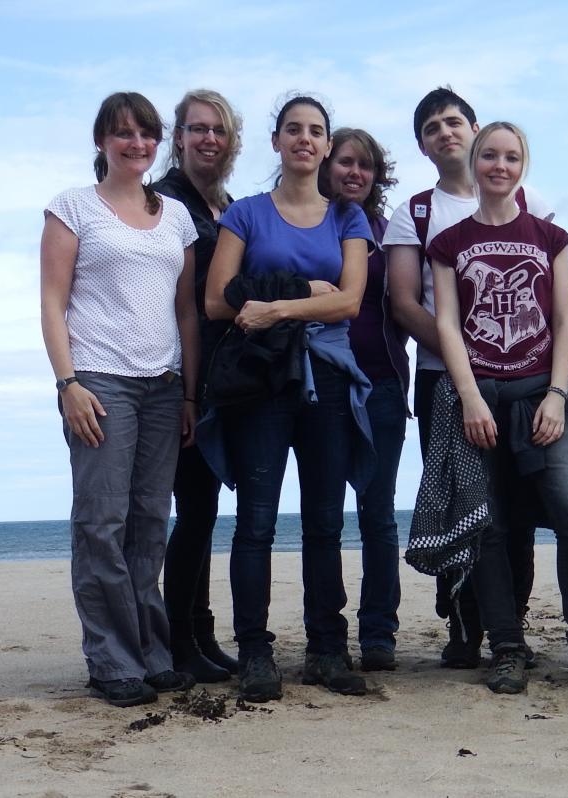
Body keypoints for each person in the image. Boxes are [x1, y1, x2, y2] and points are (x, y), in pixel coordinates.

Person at [428, 121, 568, 695]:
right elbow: (447, 322)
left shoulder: (551, 238)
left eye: (511, 156)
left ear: (524, 165)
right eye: (489, 156)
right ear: (475, 163)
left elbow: (566, 320)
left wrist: (557, 393)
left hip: (540, 399)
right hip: (480, 401)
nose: (500, 165)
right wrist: (470, 398)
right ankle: (507, 649)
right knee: (490, 528)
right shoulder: (449, 243)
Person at [202, 95, 374, 700]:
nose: (306, 139)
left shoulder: (348, 218)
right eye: (294, 129)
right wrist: (306, 290)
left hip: (327, 375)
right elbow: (218, 301)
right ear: (276, 141)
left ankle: (328, 649)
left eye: (317, 132)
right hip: (262, 379)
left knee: (326, 523)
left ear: (327, 146)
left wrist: (276, 305)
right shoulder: (245, 214)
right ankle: (255, 653)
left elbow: (350, 300)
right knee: (256, 523)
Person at [40, 92, 199, 707]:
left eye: (147, 134)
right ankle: (111, 662)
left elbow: (186, 311)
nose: (137, 144)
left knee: (149, 526)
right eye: (123, 133)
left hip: (163, 387)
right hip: (98, 383)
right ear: (102, 141)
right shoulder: (73, 207)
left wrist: (188, 393)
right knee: (101, 524)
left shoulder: (177, 216)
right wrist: (67, 383)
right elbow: (53, 303)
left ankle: (152, 654)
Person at [384, 87, 551, 669]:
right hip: (444, 384)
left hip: (521, 384)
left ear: (477, 130)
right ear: (422, 145)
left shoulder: (525, 204)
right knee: (460, 506)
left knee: (517, 508)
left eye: (453, 121)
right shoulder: (418, 212)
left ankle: (512, 628)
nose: (444, 132)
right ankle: (462, 628)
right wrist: (469, 365)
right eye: (431, 127)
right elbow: (405, 304)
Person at [153, 89, 243, 683]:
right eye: (197, 128)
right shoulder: (161, 202)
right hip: (179, 377)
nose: (208, 138)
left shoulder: (226, 204)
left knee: (205, 509)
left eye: (218, 129)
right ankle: (180, 639)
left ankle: (200, 632)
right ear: (178, 137)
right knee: (192, 508)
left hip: (222, 377)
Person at [319, 128, 408, 672]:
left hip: (382, 386)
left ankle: (379, 633)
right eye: (346, 162)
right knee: (325, 514)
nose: (355, 173)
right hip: (324, 384)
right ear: (327, 164)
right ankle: (327, 632)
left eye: (366, 165)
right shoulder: (306, 221)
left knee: (378, 515)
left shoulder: (386, 231)